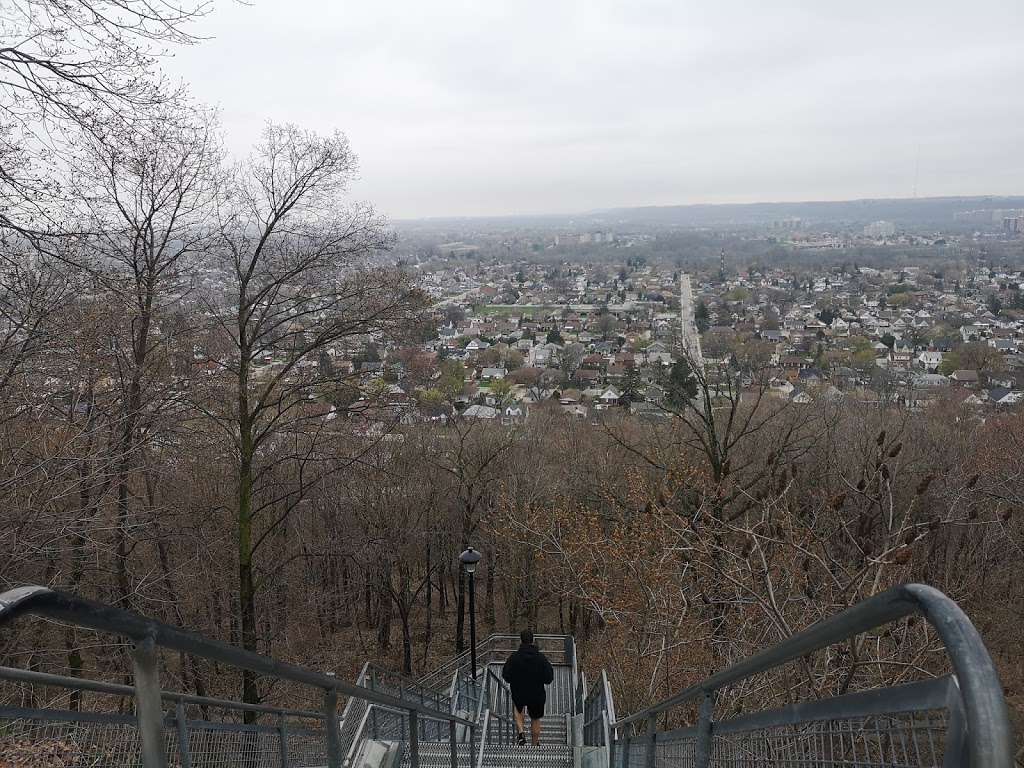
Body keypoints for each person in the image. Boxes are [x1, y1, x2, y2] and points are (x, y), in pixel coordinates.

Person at [501, 630, 554, 746]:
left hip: (519, 692)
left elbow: (506, 676)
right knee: (535, 719)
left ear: (520, 641)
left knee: (518, 709)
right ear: (533, 641)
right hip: (537, 695)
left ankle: (521, 732)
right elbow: (549, 679)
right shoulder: (541, 658)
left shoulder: (514, 658)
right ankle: (534, 746)